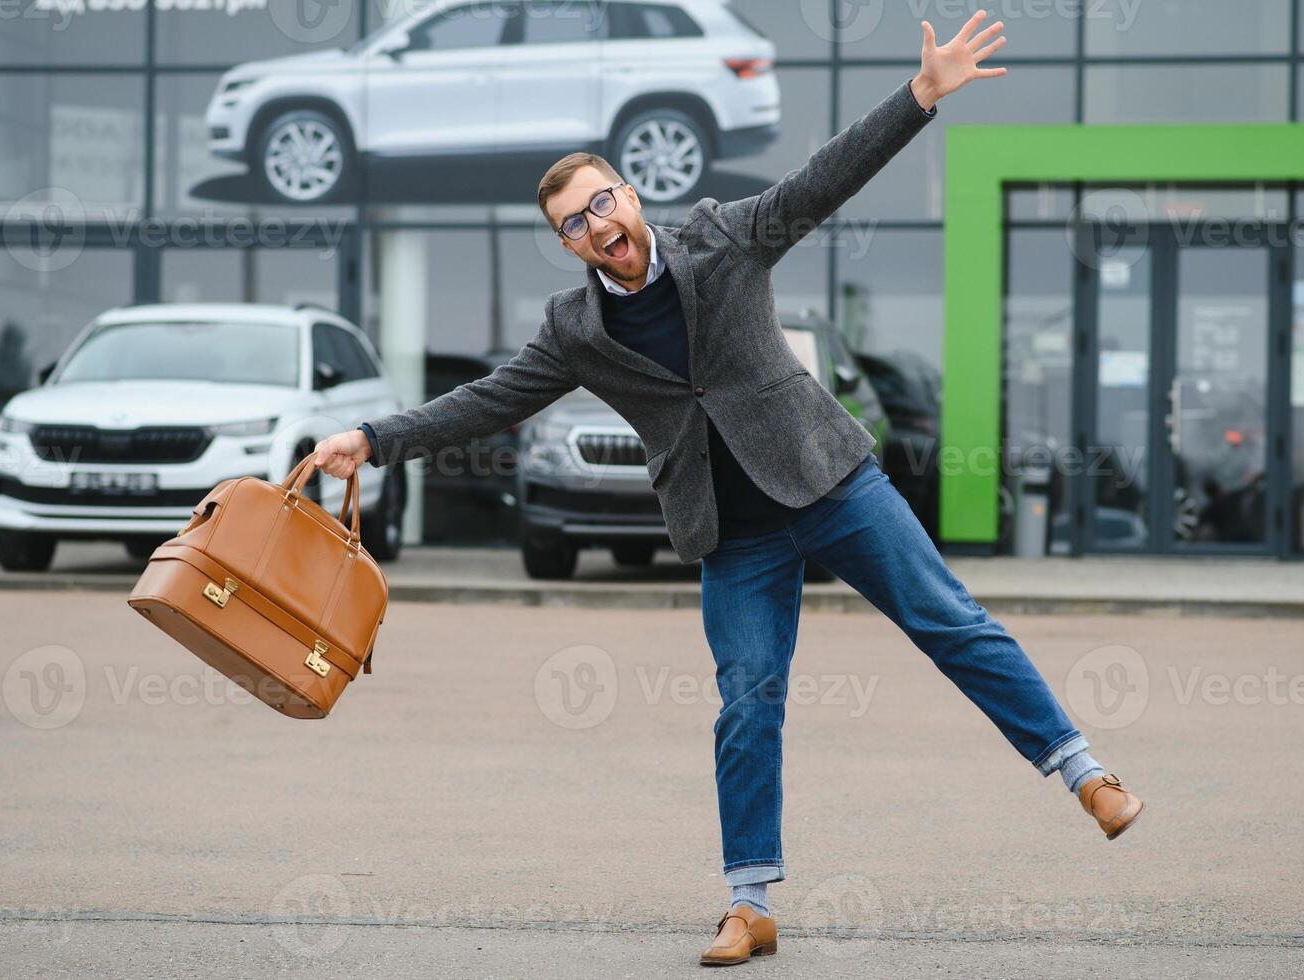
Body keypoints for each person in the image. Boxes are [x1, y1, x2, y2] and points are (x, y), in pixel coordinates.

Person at [314, 9, 1143, 967]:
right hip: (732, 534)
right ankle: (748, 903)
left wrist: (919, 95)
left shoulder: (722, 238)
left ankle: (1084, 773)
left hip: (828, 482)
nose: (593, 228)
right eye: (570, 225)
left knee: (947, 621)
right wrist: (371, 437)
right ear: (567, 243)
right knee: (747, 702)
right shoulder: (573, 328)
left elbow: (819, 181)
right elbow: (488, 401)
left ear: (629, 195)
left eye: (599, 204)